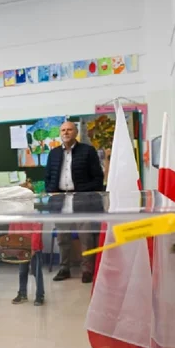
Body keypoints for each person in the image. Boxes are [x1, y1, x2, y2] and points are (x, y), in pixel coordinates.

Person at [44, 121, 104, 283]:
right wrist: (52, 190)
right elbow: (48, 178)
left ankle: (87, 270)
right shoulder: (54, 153)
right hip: (60, 202)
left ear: (75, 132)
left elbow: (98, 179)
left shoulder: (88, 151)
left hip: (83, 201)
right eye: (63, 130)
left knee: (86, 238)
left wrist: (81, 190)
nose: (66, 132)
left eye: (69, 129)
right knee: (63, 238)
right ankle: (64, 269)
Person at [9, 222, 45, 306]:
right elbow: (12, 229)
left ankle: (40, 295)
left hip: (35, 248)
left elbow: (37, 230)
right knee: (22, 271)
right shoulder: (16, 214)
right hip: (21, 246)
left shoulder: (34, 212)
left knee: (37, 272)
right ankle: (22, 293)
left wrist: (33, 247)